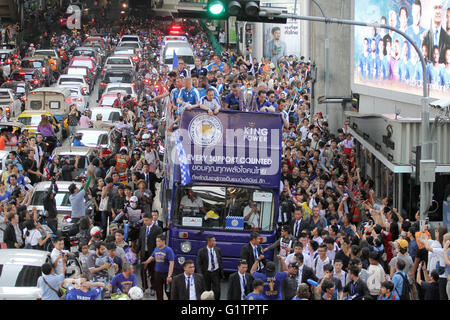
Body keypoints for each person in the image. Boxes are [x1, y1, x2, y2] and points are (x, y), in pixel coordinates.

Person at [142, 234, 174, 300]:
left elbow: (171, 263)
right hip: (157, 273)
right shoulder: (156, 249)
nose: (157, 243)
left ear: (163, 241)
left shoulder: (168, 250)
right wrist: (146, 262)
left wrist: (169, 275)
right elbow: (152, 257)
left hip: (166, 273)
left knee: (168, 291)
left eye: (158, 241)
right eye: (156, 241)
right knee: (159, 291)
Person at [136, 212, 162, 295]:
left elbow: (159, 243)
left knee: (152, 271)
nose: (145, 222)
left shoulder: (157, 229)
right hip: (144, 252)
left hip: (152, 253)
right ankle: (144, 286)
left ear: (151, 220)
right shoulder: (143, 228)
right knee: (142, 270)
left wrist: (157, 253)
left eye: (146, 220)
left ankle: (153, 287)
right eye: (144, 220)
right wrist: (137, 251)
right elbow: (140, 241)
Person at [196, 235, 224, 300]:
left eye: (215, 240)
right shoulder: (201, 251)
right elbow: (199, 263)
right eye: (213, 241)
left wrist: (221, 273)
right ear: (209, 242)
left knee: (217, 290)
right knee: (206, 290)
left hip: (216, 272)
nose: (215, 242)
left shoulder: (218, 250)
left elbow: (220, 262)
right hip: (206, 273)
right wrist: (200, 274)